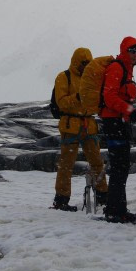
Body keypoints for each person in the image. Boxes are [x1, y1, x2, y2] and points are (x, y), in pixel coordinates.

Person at [51, 47, 108, 211]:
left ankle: (103, 195)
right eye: (84, 63)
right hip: (71, 125)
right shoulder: (64, 77)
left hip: (89, 124)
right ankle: (61, 199)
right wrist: (79, 97)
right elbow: (61, 102)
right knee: (66, 164)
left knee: (97, 162)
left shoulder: (91, 78)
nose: (86, 66)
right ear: (76, 62)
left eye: (89, 63)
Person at [100, 36, 136, 223]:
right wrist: (128, 109)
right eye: (132, 51)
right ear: (125, 50)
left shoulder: (126, 70)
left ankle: (116, 209)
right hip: (114, 122)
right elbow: (109, 96)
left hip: (119, 122)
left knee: (121, 166)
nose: (135, 55)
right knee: (120, 166)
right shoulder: (117, 68)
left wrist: (128, 111)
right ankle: (116, 211)